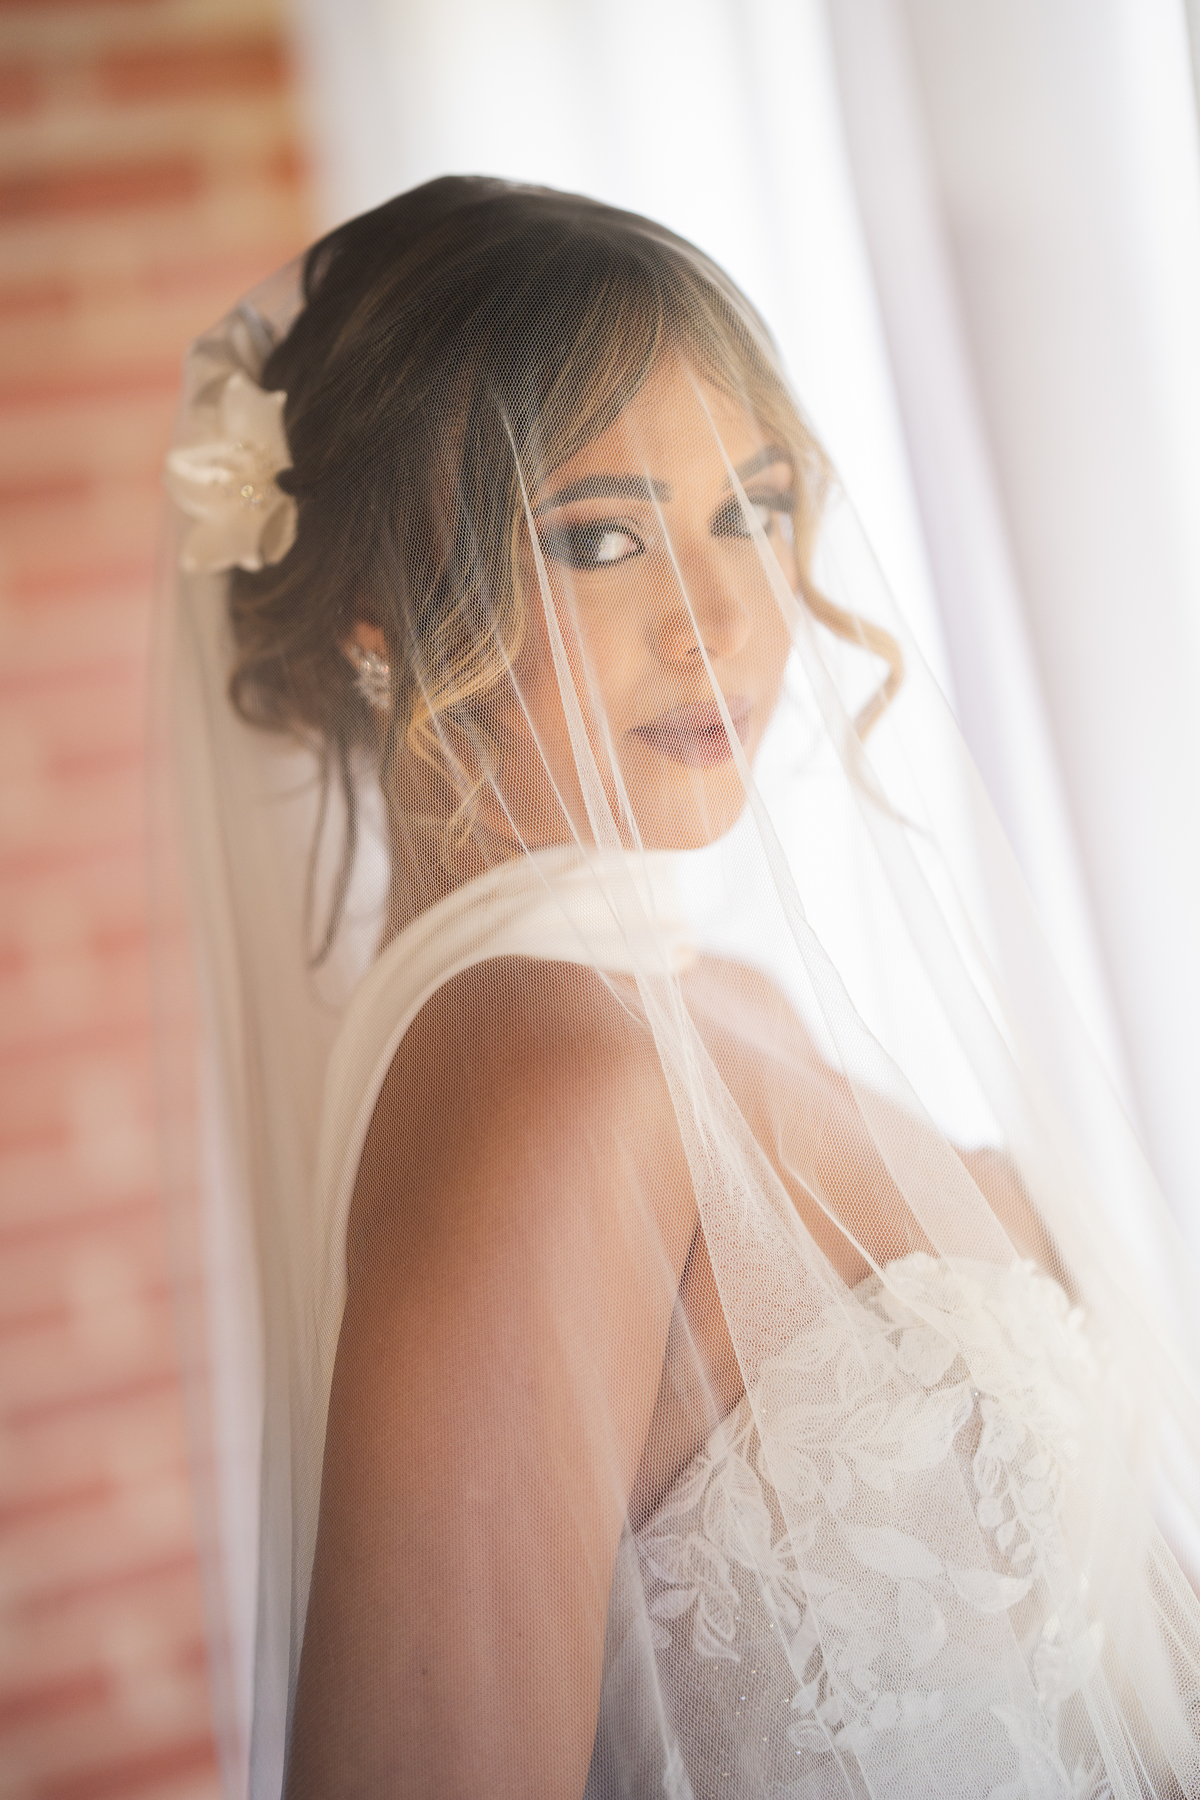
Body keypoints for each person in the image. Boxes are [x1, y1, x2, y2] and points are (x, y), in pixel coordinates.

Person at [158, 177, 1200, 1800]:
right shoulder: (552, 1087)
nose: (726, 617)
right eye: (601, 534)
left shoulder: (724, 999)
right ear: (381, 616)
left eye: (754, 507)